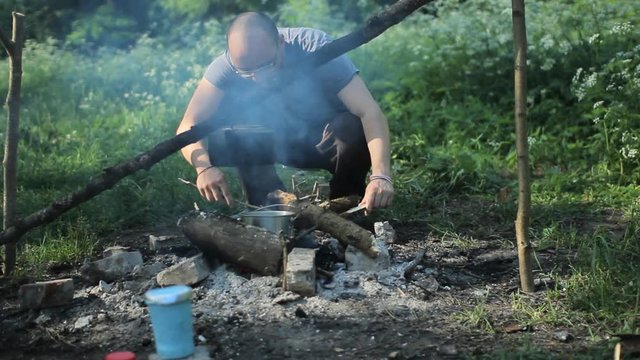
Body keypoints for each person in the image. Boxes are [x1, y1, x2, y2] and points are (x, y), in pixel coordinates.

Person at [176, 12, 394, 212]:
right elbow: (188, 125)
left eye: (265, 67)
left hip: (328, 142)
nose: (258, 78)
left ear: (281, 42)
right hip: (276, 144)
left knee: (353, 125)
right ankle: (269, 206)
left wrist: (381, 175)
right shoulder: (225, 68)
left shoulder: (316, 50)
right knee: (238, 134)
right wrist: (203, 168)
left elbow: (369, 112)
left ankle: (347, 206)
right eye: (246, 72)